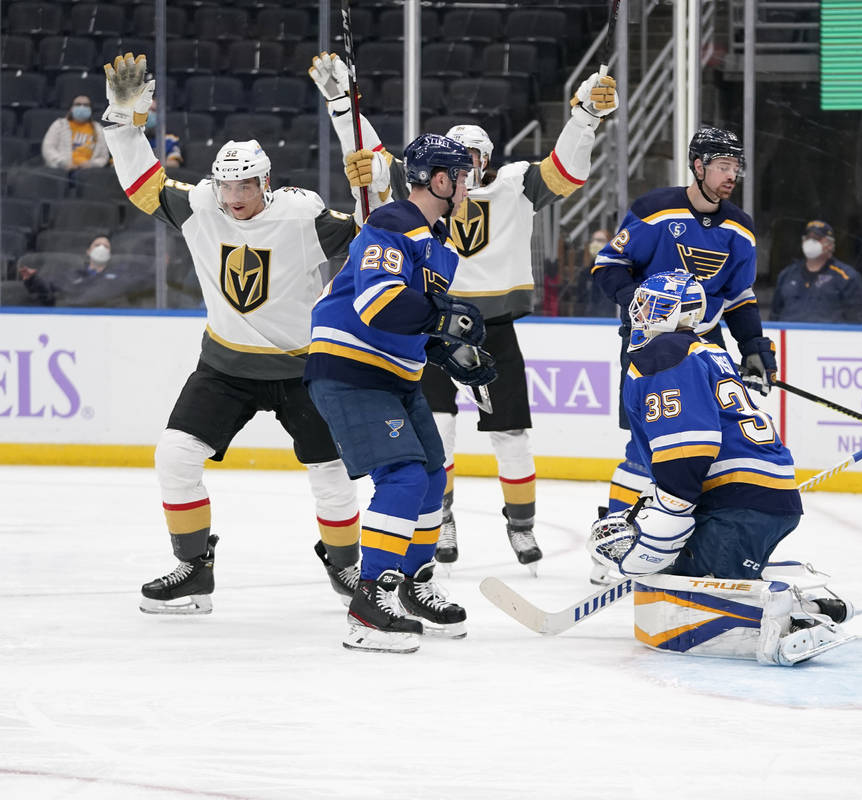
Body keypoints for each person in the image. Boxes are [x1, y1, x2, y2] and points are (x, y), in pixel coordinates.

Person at [309, 51, 619, 573]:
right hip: (423, 324)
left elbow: (566, 169)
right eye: (458, 161)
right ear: (439, 173)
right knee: (438, 431)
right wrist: (344, 106)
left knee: (511, 433)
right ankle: (440, 519)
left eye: (474, 157)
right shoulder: (417, 208)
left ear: (486, 159)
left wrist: (585, 118)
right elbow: (370, 158)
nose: (468, 168)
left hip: (485, 325)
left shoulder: (514, 186)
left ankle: (520, 525)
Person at [100, 53, 386, 615]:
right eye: (226, 185)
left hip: (305, 369)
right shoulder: (202, 206)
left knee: (331, 474)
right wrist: (119, 115)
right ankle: (193, 569)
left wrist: (354, 136)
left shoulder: (302, 217)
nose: (234, 198)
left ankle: (346, 571)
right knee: (175, 458)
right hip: (224, 367)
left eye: (245, 186)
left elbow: (372, 225)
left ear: (266, 182)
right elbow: (142, 184)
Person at [587, 269, 857, 666]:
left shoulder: (665, 354)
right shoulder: (702, 349)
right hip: (757, 496)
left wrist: (670, 508)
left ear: (677, 313)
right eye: (639, 303)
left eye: (652, 306)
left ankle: (796, 623)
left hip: (740, 501)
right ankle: (816, 602)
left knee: (691, 596)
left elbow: (691, 445)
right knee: (685, 575)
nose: (639, 313)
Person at [305, 133, 493, 653]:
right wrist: (443, 318)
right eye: (461, 175)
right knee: (405, 476)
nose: (467, 185)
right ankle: (371, 599)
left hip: (395, 373)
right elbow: (377, 304)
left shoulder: (441, 244)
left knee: (434, 476)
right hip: (349, 367)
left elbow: (412, 317)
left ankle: (414, 583)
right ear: (439, 179)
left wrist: (444, 349)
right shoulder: (391, 223)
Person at [590, 126, 775, 533]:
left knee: (709, 440)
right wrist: (641, 303)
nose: (731, 175)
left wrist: (754, 346)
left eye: (735, 167)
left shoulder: (739, 228)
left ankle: (685, 534)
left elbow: (739, 295)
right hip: (649, 343)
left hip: (706, 342)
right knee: (646, 447)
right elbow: (608, 267)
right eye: (723, 166)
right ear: (698, 166)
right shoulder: (655, 210)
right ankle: (616, 535)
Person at [771, 220, 862, 323]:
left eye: (816, 239)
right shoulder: (787, 275)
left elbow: (860, 317)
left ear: (830, 244)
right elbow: (775, 315)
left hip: (829, 337)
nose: (810, 242)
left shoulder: (846, 277)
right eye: (807, 238)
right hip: (790, 337)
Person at [17, 235, 151, 307]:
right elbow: (47, 294)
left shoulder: (120, 277)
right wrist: (32, 279)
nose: (101, 248)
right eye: (97, 245)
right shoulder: (71, 276)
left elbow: (143, 285)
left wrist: (161, 266)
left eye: (106, 246)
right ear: (88, 251)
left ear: (110, 254)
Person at [41, 95, 110, 171]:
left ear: (91, 109)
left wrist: (92, 164)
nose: (82, 107)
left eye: (86, 105)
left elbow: (104, 156)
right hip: (62, 171)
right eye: (78, 104)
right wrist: (63, 163)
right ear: (71, 108)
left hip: (89, 172)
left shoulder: (98, 129)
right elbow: (48, 148)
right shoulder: (59, 125)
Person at [145, 99, 183, 167]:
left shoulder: (170, 140)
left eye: (153, 110)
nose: (149, 114)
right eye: (147, 110)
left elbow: (174, 164)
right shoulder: (130, 139)